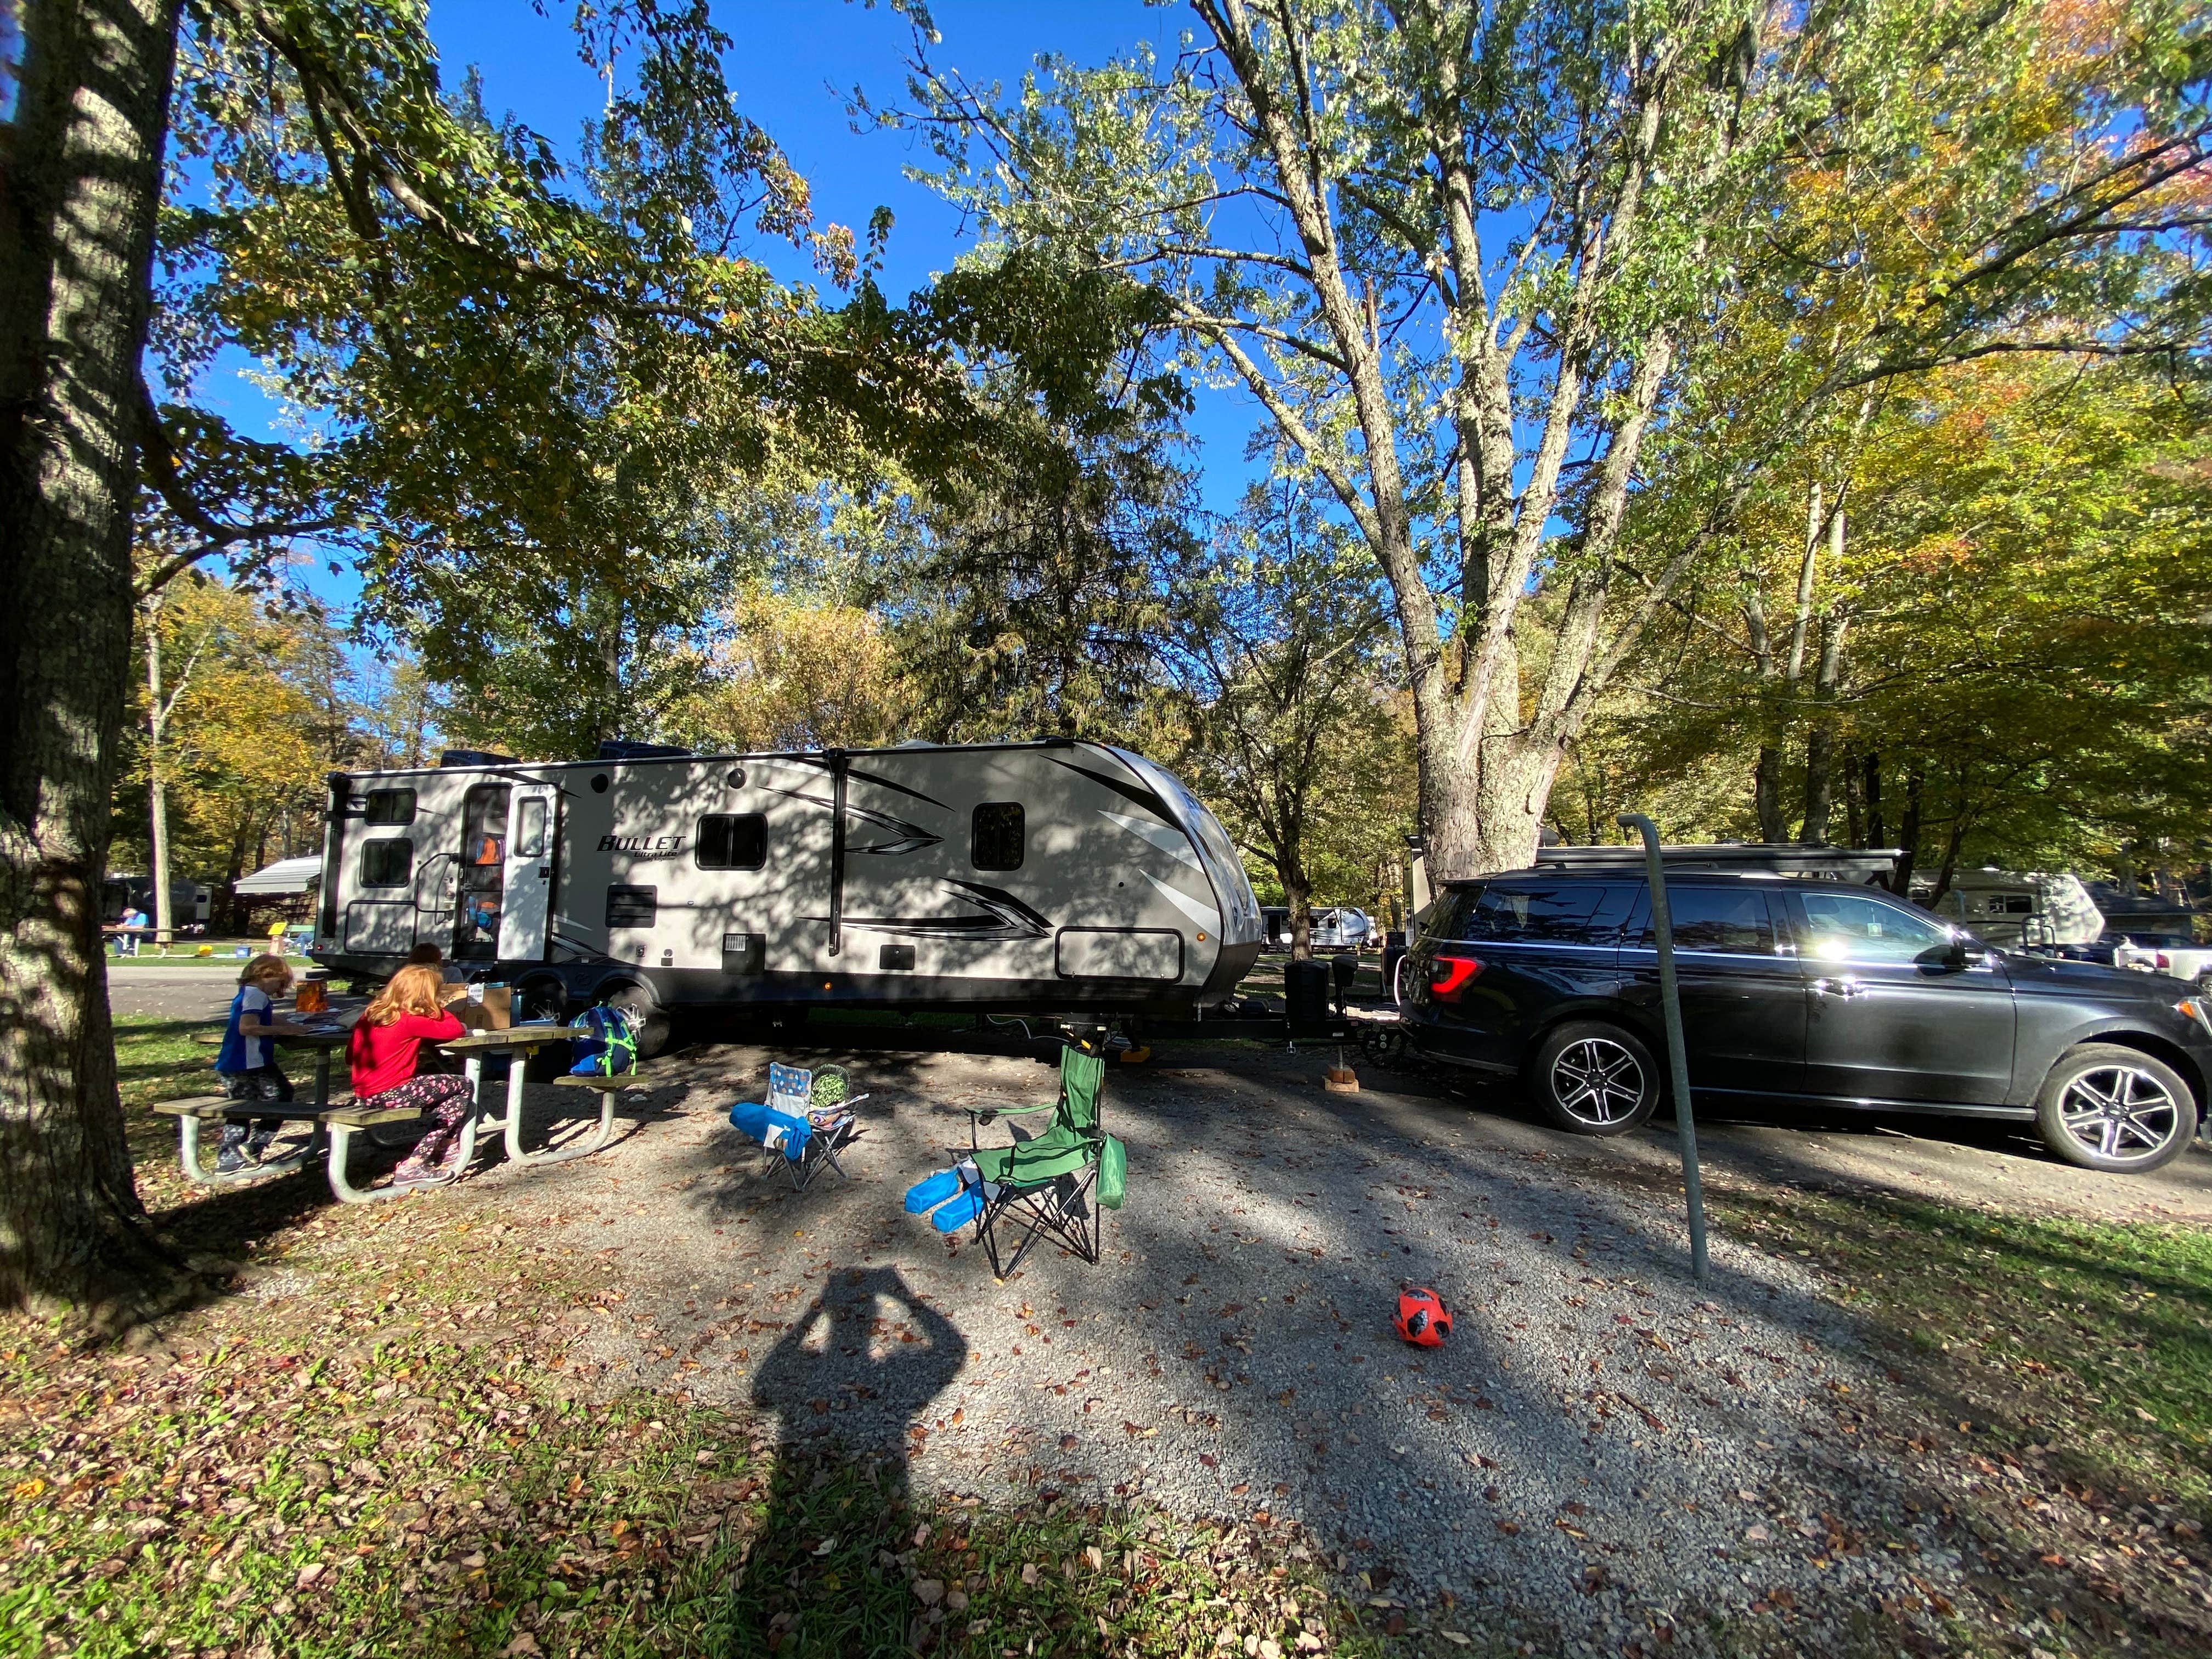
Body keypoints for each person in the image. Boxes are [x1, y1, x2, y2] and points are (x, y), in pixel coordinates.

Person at [347, 963, 472, 1190]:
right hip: (393, 1091)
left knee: (448, 1094)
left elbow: (349, 1057)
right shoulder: (410, 1020)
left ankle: (447, 1144)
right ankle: (420, 1160)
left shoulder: (369, 1017)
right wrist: (439, 1009)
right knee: (463, 1085)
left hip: (366, 1093)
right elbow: (455, 1029)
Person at [213, 953, 307, 1172]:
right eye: (280, 983)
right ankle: (242, 1150)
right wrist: (284, 1031)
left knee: (250, 1104)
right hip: (246, 1062)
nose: (279, 988)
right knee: (268, 1100)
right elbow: (247, 1027)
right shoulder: (255, 995)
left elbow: (266, 1019)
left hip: (246, 1061)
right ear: (266, 975)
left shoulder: (251, 994)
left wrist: (294, 1025)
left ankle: (241, 1150)